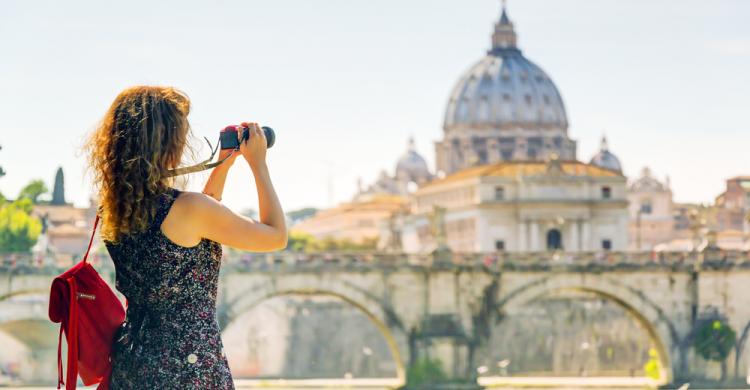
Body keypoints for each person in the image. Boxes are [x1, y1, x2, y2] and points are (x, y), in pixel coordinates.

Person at [84, 86, 287, 389]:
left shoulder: (116, 209)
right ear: (167, 141)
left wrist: (224, 166)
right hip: (188, 369)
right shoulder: (189, 209)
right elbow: (275, 235)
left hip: (133, 365)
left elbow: (194, 228)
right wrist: (258, 165)